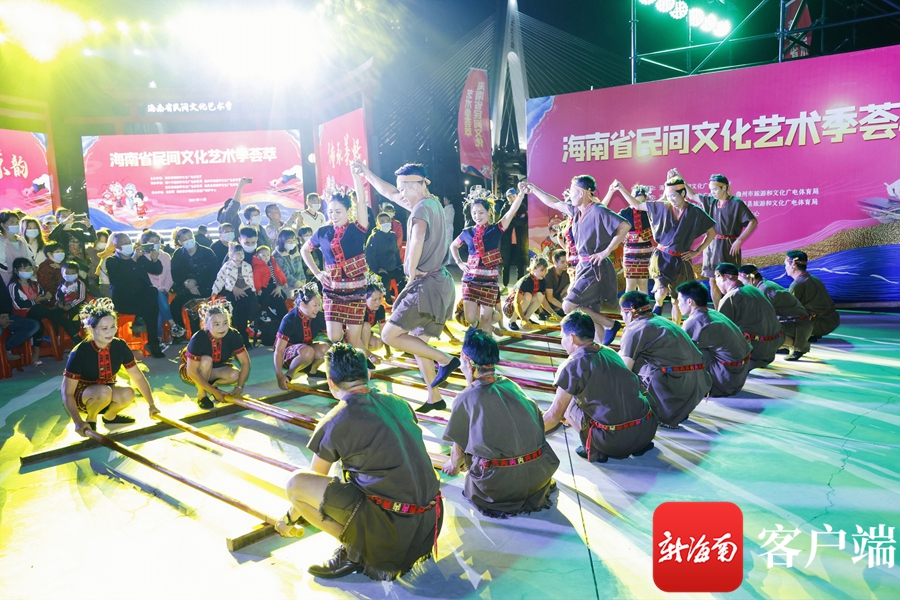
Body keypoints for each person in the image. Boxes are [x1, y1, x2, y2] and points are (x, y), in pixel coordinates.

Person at [275, 343, 443, 581]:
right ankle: (364, 542)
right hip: (430, 523)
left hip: (392, 535)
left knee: (296, 485)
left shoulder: (337, 419)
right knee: (347, 465)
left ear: (331, 383)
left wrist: (288, 519)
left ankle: (356, 552)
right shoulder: (398, 402)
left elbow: (313, 480)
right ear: (368, 375)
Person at [352, 160, 459, 411]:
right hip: (441, 282)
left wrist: (410, 274)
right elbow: (389, 192)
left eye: (403, 187)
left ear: (419, 185)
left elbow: (417, 238)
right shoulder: (431, 204)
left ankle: (446, 360)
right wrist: (366, 173)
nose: (400, 192)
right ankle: (434, 397)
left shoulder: (420, 210)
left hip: (426, 284)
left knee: (389, 335)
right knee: (418, 343)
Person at [442, 328, 559, 516]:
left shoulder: (465, 398)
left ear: (466, 359)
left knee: (470, 484)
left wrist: (453, 466)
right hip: (540, 474)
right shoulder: (511, 385)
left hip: (503, 486)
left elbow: (458, 453)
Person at [528, 176, 630, 345]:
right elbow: (554, 202)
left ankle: (611, 324)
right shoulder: (576, 211)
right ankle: (599, 348)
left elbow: (624, 226)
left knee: (568, 305)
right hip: (582, 266)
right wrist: (533, 189)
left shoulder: (598, 210)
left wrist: (606, 251)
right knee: (591, 313)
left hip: (594, 267)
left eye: (572, 191)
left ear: (582, 193)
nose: (570, 194)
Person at [543, 311, 657, 462]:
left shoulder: (571, 365)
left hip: (613, 442)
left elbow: (554, 416)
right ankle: (635, 444)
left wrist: (529, 434)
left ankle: (594, 448)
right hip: (646, 430)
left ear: (572, 338)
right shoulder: (610, 352)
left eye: (562, 336)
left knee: (568, 403)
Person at [617, 177, 716, 323]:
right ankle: (658, 304)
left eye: (674, 196)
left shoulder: (695, 212)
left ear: (683, 194)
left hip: (681, 260)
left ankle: (676, 326)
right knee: (661, 291)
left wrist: (697, 250)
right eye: (668, 196)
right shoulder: (662, 207)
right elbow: (637, 205)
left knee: (677, 299)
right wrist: (621, 189)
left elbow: (712, 232)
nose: (671, 199)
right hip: (661, 258)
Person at [61, 298, 160, 436]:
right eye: (104, 328)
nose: (110, 332)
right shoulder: (80, 351)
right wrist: (77, 421)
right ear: (91, 329)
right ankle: (91, 419)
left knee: (128, 393)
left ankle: (109, 416)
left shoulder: (119, 345)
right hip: (84, 397)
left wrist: (151, 405)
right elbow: (67, 392)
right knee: (104, 391)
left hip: (107, 391)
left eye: (113, 326)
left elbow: (137, 377)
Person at [618, 291, 711, 429]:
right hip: (699, 384)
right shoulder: (663, 321)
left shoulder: (634, 329)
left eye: (622, 313)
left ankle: (658, 411)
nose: (621, 316)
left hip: (676, 384)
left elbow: (624, 370)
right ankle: (676, 410)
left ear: (629, 312)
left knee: (625, 368)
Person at [300, 173, 370, 355]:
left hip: (356, 291)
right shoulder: (323, 232)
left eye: (338, 211)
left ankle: (360, 365)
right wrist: (317, 273)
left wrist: (356, 176)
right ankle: (350, 359)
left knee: (354, 340)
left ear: (348, 211)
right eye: (330, 211)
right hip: (331, 290)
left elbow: (362, 201)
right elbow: (304, 250)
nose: (333, 215)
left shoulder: (358, 228)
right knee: (334, 337)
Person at [673, 170, 758, 308]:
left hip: (728, 246)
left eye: (715, 189)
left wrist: (739, 240)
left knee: (730, 281)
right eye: (710, 189)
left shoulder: (736, 203)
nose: (712, 192)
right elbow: (692, 195)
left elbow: (752, 222)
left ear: (724, 188)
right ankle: (719, 311)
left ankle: (732, 310)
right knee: (713, 280)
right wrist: (680, 179)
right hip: (711, 246)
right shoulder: (710, 201)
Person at [450, 185, 527, 333]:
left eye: (481, 212)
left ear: (488, 212)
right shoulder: (467, 232)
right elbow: (453, 246)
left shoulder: (495, 229)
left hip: (489, 281)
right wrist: (459, 262)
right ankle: (484, 327)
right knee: (470, 318)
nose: (477, 216)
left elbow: (511, 212)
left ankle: (487, 341)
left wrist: (521, 194)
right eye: (474, 213)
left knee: (486, 319)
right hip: (470, 280)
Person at [676, 281, 752, 397]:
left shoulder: (694, 322)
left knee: (682, 355)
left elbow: (678, 354)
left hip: (724, 383)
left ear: (690, 301)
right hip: (738, 376)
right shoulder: (714, 313)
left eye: (680, 301)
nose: (678, 305)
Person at [179, 299, 250, 409]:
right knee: (206, 360)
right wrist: (215, 392)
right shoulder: (198, 338)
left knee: (235, 374)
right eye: (216, 324)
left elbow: (245, 362)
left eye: (225, 323)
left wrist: (239, 387)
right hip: (191, 371)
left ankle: (209, 386)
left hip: (216, 368)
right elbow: (191, 372)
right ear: (207, 325)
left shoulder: (233, 335)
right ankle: (202, 395)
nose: (222, 328)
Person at [9, 257, 81, 365]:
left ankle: (35, 355)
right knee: (46, 312)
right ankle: (75, 337)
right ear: (16, 271)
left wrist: (47, 297)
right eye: (24, 269)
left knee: (41, 322)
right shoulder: (14, 286)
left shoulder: (35, 284)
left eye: (29, 268)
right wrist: (36, 301)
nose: (28, 271)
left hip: (38, 312)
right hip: (23, 315)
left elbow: (44, 300)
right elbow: (18, 305)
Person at [106, 233, 166, 358]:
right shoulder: (112, 261)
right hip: (125, 301)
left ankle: (146, 329)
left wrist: (155, 259)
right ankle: (153, 343)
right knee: (151, 308)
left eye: (129, 242)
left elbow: (156, 270)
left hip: (143, 299)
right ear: (116, 246)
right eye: (124, 243)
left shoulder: (139, 257)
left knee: (152, 292)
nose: (128, 245)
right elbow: (121, 277)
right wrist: (133, 259)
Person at [714, 262, 783, 370]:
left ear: (722, 277)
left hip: (756, 349)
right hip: (773, 347)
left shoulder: (731, 297)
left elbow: (721, 332)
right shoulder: (754, 289)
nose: (715, 282)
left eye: (716, 278)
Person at [738, 264, 813, 361]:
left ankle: (800, 346)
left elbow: (760, 317)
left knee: (762, 330)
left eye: (742, 282)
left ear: (751, 278)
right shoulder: (763, 286)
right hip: (792, 323)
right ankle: (782, 346)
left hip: (799, 325)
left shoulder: (765, 289)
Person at [601, 183, 655, 295]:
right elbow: (605, 216)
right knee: (630, 284)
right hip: (630, 252)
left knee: (643, 284)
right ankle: (628, 306)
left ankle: (643, 306)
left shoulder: (649, 211)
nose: (638, 204)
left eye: (642, 202)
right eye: (636, 201)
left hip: (645, 251)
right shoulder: (624, 213)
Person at [274, 283, 328, 389]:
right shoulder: (290, 319)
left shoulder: (318, 316)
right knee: (308, 351)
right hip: (287, 355)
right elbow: (278, 351)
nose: (318, 309)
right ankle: (289, 375)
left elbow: (334, 338)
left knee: (325, 348)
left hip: (306, 350)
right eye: (315, 305)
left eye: (319, 305)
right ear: (303, 304)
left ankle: (312, 371)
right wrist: (279, 376)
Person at [170, 227, 219, 337]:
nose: (188, 240)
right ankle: (181, 333)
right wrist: (187, 284)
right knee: (174, 305)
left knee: (194, 306)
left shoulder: (207, 252)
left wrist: (196, 283)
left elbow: (213, 274)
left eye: (190, 237)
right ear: (180, 242)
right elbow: (175, 274)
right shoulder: (178, 255)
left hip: (205, 289)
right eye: (184, 239)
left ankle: (197, 335)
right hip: (186, 290)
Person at [784, 250, 840, 341]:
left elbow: (789, 311)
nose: (785, 268)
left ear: (793, 265)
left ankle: (806, 335)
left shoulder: (797, 285)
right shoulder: (814, 279)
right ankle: (812, 334)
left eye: (786, 265)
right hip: (832, 320)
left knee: (777, 324)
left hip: (820, 324)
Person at [211, 242, 259, 347]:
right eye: (238, 253)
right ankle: (239, 338)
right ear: (231, 255)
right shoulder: (227, 266)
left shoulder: (247, 266)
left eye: (242, 253)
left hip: (246, 290)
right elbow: (220, 279)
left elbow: (251, 280)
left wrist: (248, 290)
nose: (241, 255)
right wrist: (214, 292)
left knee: (251, 305)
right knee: (236, 311)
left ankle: (249, 329)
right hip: (232, 291)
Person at [141, 230, 184, 340]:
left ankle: (158, 339)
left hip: (163, 291)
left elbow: (169, 275)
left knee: (158, 304)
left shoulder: (165, 256)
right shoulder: (142, 257)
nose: (155, 243)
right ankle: (172, 324)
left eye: (157, 241)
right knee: (156, 303)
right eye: (152, 241)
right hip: (148, 294)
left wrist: (165, 288)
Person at [503, 255, 552, 331]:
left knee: (540, 296)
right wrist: (523, 319)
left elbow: (543, 301)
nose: (544, 273)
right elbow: (516, 302)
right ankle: (512, 321)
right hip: (511, 308)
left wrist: (553, 314)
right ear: (534, 269)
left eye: (545, 271)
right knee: (528, 295)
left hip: (523, 308)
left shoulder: (542, 281)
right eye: (542, 270)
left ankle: (527, 319)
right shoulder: (526, 281)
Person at [365, 213, 406, 303]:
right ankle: (388, 299)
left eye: (388, 221)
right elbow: (370, 256)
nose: (386, 223)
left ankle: (403, 298)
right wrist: (377, 269)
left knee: (404, 273)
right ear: (377, 224)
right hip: (380, 269)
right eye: (382, 222)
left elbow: (396, 252)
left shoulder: (392, 235)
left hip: (392, 266)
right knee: (385, 279)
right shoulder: (374, 237)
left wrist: (399, 264)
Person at [0, 275, 41, 362]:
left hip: (3, 315)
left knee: (33, 325)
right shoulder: (14, 285)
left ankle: (3, 349)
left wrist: (4, 313)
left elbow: (4, 295)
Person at [499, 187, 529, 288]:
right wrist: (517, 219)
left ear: (517, 196)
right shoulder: (505, 207)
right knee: (506, 263)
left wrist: (511, 219)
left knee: (520, 264)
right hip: (507, 240)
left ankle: (519, 286)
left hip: (519, 240)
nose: (512, 199)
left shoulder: (522, 207)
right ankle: (505, 285)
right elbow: (503, 223)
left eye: (513, 196)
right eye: (509, 197)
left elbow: (523, 222)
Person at [252, 245, 288, 323]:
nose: (266, 257)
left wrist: (284, 281)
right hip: (264, 286)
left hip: (273, 284)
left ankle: (277, 312)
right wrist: (258, 288)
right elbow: (256, 279)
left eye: (268, 255)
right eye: (263, 255)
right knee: (266, 297)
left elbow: (279, 272)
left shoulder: (272, 263)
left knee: (283, 296)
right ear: (258, 256)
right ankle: (264, 311)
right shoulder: (258, 267)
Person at [55, 260, 88, 339]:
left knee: (74, 317)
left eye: (73, 273)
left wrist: (71, 305)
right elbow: (58, 295)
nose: (70, 275)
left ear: (77, 273)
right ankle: (57, 334)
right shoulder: (62, 285)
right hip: (65, 305)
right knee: (55, 314)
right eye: (67, 273)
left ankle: (75, 335)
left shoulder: (80, 284)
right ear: (62, 273)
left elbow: (82, 297)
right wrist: (59, 303)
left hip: (77, 306)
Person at [360, 279, 390, 364]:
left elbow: (383, 331)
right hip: (351, 336)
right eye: (374, 300)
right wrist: (370, 355)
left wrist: (388, 352)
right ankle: (363, 357)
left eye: (379, 299)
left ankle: (363, 352)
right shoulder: (360, 309)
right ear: (365, 299)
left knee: (378, 343)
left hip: (363, 336)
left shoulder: (380, 309)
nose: (378, 302)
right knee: (366, 325)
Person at [0, 210, 29, 286]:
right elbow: (1, 264)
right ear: (2, 225)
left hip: (25, 281)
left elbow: (29, 257)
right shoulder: (1, 241)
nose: (16, 225)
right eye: (12, 222)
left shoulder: (21, 240)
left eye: (17, 222)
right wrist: (17, 271)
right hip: (8, 281)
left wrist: (31, 267)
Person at [540, 249, 570, 319]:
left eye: (566, 261)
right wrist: (565, 307)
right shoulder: (549, 274)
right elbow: (550, 298)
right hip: (546, 301)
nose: (566, 264)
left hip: (558, 298)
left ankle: (559, 309)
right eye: (562, 262)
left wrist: (568, 287)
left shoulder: (567, 271)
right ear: (555, 262)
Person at [86, 229, 111, 297]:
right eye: (101, 241)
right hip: (90, 280)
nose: (103, 243)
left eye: (105, 242)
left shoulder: (106, 253)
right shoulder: (88, 251)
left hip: (103, 281)